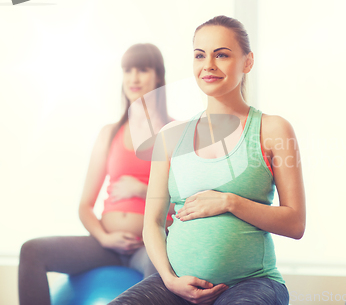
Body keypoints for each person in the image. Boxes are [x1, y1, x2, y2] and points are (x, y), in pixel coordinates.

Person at [109, 15, 306, 305]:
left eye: (222, 55)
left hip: (250, 284)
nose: (208, 65)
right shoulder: (169, 136)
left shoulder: (273, 129)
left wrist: (230, 201)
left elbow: (295, 223)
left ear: (248, 62)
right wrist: (170, 279)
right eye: (200, 55)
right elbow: (151, 223)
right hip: (175, 283)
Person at [18, 43, 174, 305]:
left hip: (150, 246)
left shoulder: (174, 132)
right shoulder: (109, 133)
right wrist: (105, 238)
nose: (133, 78)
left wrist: (142, 190)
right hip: (106, 245)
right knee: (32, 251)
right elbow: (85, 206)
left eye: (143, 69)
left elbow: (188, 196)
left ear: (158, 76)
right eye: (127, 70)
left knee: (160, 275)